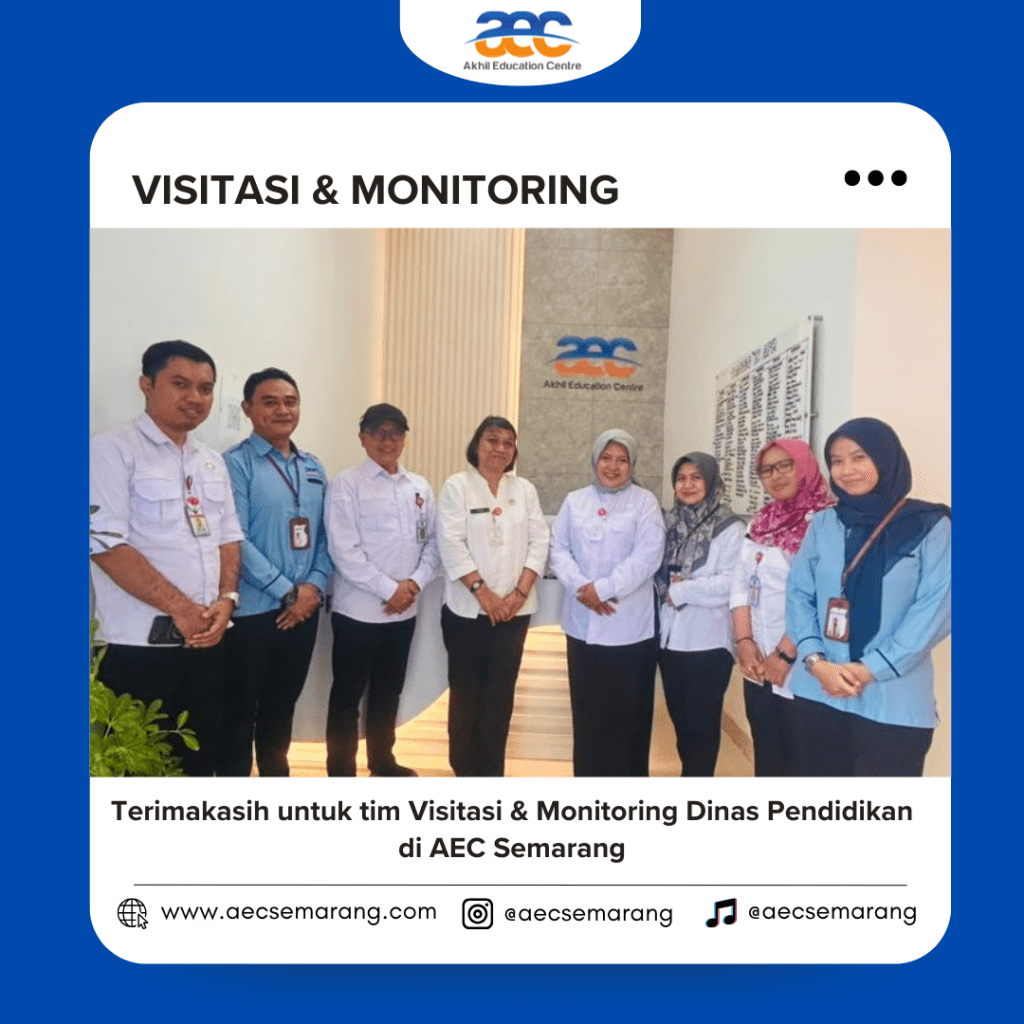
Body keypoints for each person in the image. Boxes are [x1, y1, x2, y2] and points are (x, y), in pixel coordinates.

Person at [89, 340, 243, 776]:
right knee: (132, 773)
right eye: (180, 384)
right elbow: (104, 544)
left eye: (206, 388)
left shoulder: (210, 461)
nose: (195, 397)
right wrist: (182, 609)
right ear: (147, 385)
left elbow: (229, 536)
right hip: (136, 647)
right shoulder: (110, 450)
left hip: (208, 642)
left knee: (197, 763)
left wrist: (227, 599)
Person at [785, 417, 951, 776]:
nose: (847, 470)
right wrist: (816, 662)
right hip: (819, 689)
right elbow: (798, 593)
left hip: (892, 701)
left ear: (886, 457)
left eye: (859, 457)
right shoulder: (824, 523)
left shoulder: (931, 525)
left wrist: (869, 669)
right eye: (836, 460)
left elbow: (936, 609)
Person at [219, 368, 332, 777]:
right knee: (239, 711)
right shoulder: (235, 464)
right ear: (248, 409)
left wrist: (313, 587)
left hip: (303, 611)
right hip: (253, 612)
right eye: (270, 402)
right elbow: (235, 537)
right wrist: (288, 592)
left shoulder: (313, 467)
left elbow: (326, 536)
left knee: (282, 706)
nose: (283, 410)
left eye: (290, 402)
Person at [324, 403, 440, 777]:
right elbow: (344, 550)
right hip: (357, 612)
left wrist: (414, 584)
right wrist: (390, 589)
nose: (387, 441)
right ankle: (341, 770)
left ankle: (382, 761)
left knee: (389, 692)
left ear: (404, 438)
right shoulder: (347, 484)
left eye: (395, 433)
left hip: (404, 612)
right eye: (379, 432)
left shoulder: (419, 486)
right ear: (363, 438)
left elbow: (433, 544)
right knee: (347, 696)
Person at [437, 416, 549, 776]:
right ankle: (464, 772)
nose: (500, 448)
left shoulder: (524, 490)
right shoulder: (457, 486)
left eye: (508, 443)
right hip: (467, 613)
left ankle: (491, 774)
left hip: (514, 614)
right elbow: (450, 543)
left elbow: (539, 542)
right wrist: (482, 594)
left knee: (500, 699)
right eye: (492, 440)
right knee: (465, 697)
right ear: (477, 445)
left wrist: (519, 594)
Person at [550, 430, 665, 776]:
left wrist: (603, 589)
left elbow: (648, 556)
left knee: (629, 718)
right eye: (606, 458)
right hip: (582, 626)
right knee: (588, 714)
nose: (613, 467)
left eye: (622, 460)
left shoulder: (645, 502)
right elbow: (558, 549)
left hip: (630, 630)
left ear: (632, 465)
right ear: (595, 459)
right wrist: (582, 587)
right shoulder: (574, 501)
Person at [729, 438, 834, 776]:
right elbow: (740, 585)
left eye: (784, 466)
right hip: (758, 662)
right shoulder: (760, 521)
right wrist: (744, 642)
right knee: (767, 755)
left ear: (803, 465)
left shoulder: (827, 522)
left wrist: (786, 654)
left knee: (801, 763)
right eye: (766, 470)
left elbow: (822, 596)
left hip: (801, 664)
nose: (775, 476)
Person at [657, 452, 744, 776]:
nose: (688, 485)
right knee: (681, 723)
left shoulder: (730, 528)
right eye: (681, 478)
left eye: (696, 478)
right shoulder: (669, 524)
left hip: (708, 643)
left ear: (711, 481)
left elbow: (731, 583)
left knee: (702, 727)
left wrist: (682, 591)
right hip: (670, 641)